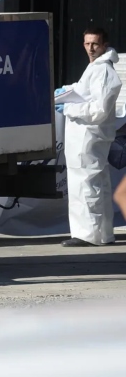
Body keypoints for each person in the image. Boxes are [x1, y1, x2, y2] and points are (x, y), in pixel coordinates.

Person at [55, 27, 122, 247]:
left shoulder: (103, 71)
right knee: (95, 183)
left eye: (95, 44)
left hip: (89, 136)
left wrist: (69, 109)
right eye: (87, 43)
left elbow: (99, 110)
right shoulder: (96, 68)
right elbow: (83, 90)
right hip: (88, 137)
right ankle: (102, 234)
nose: (90, 48)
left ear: (104, 45)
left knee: (86, 184)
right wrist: (65, 92)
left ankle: (87, 235)